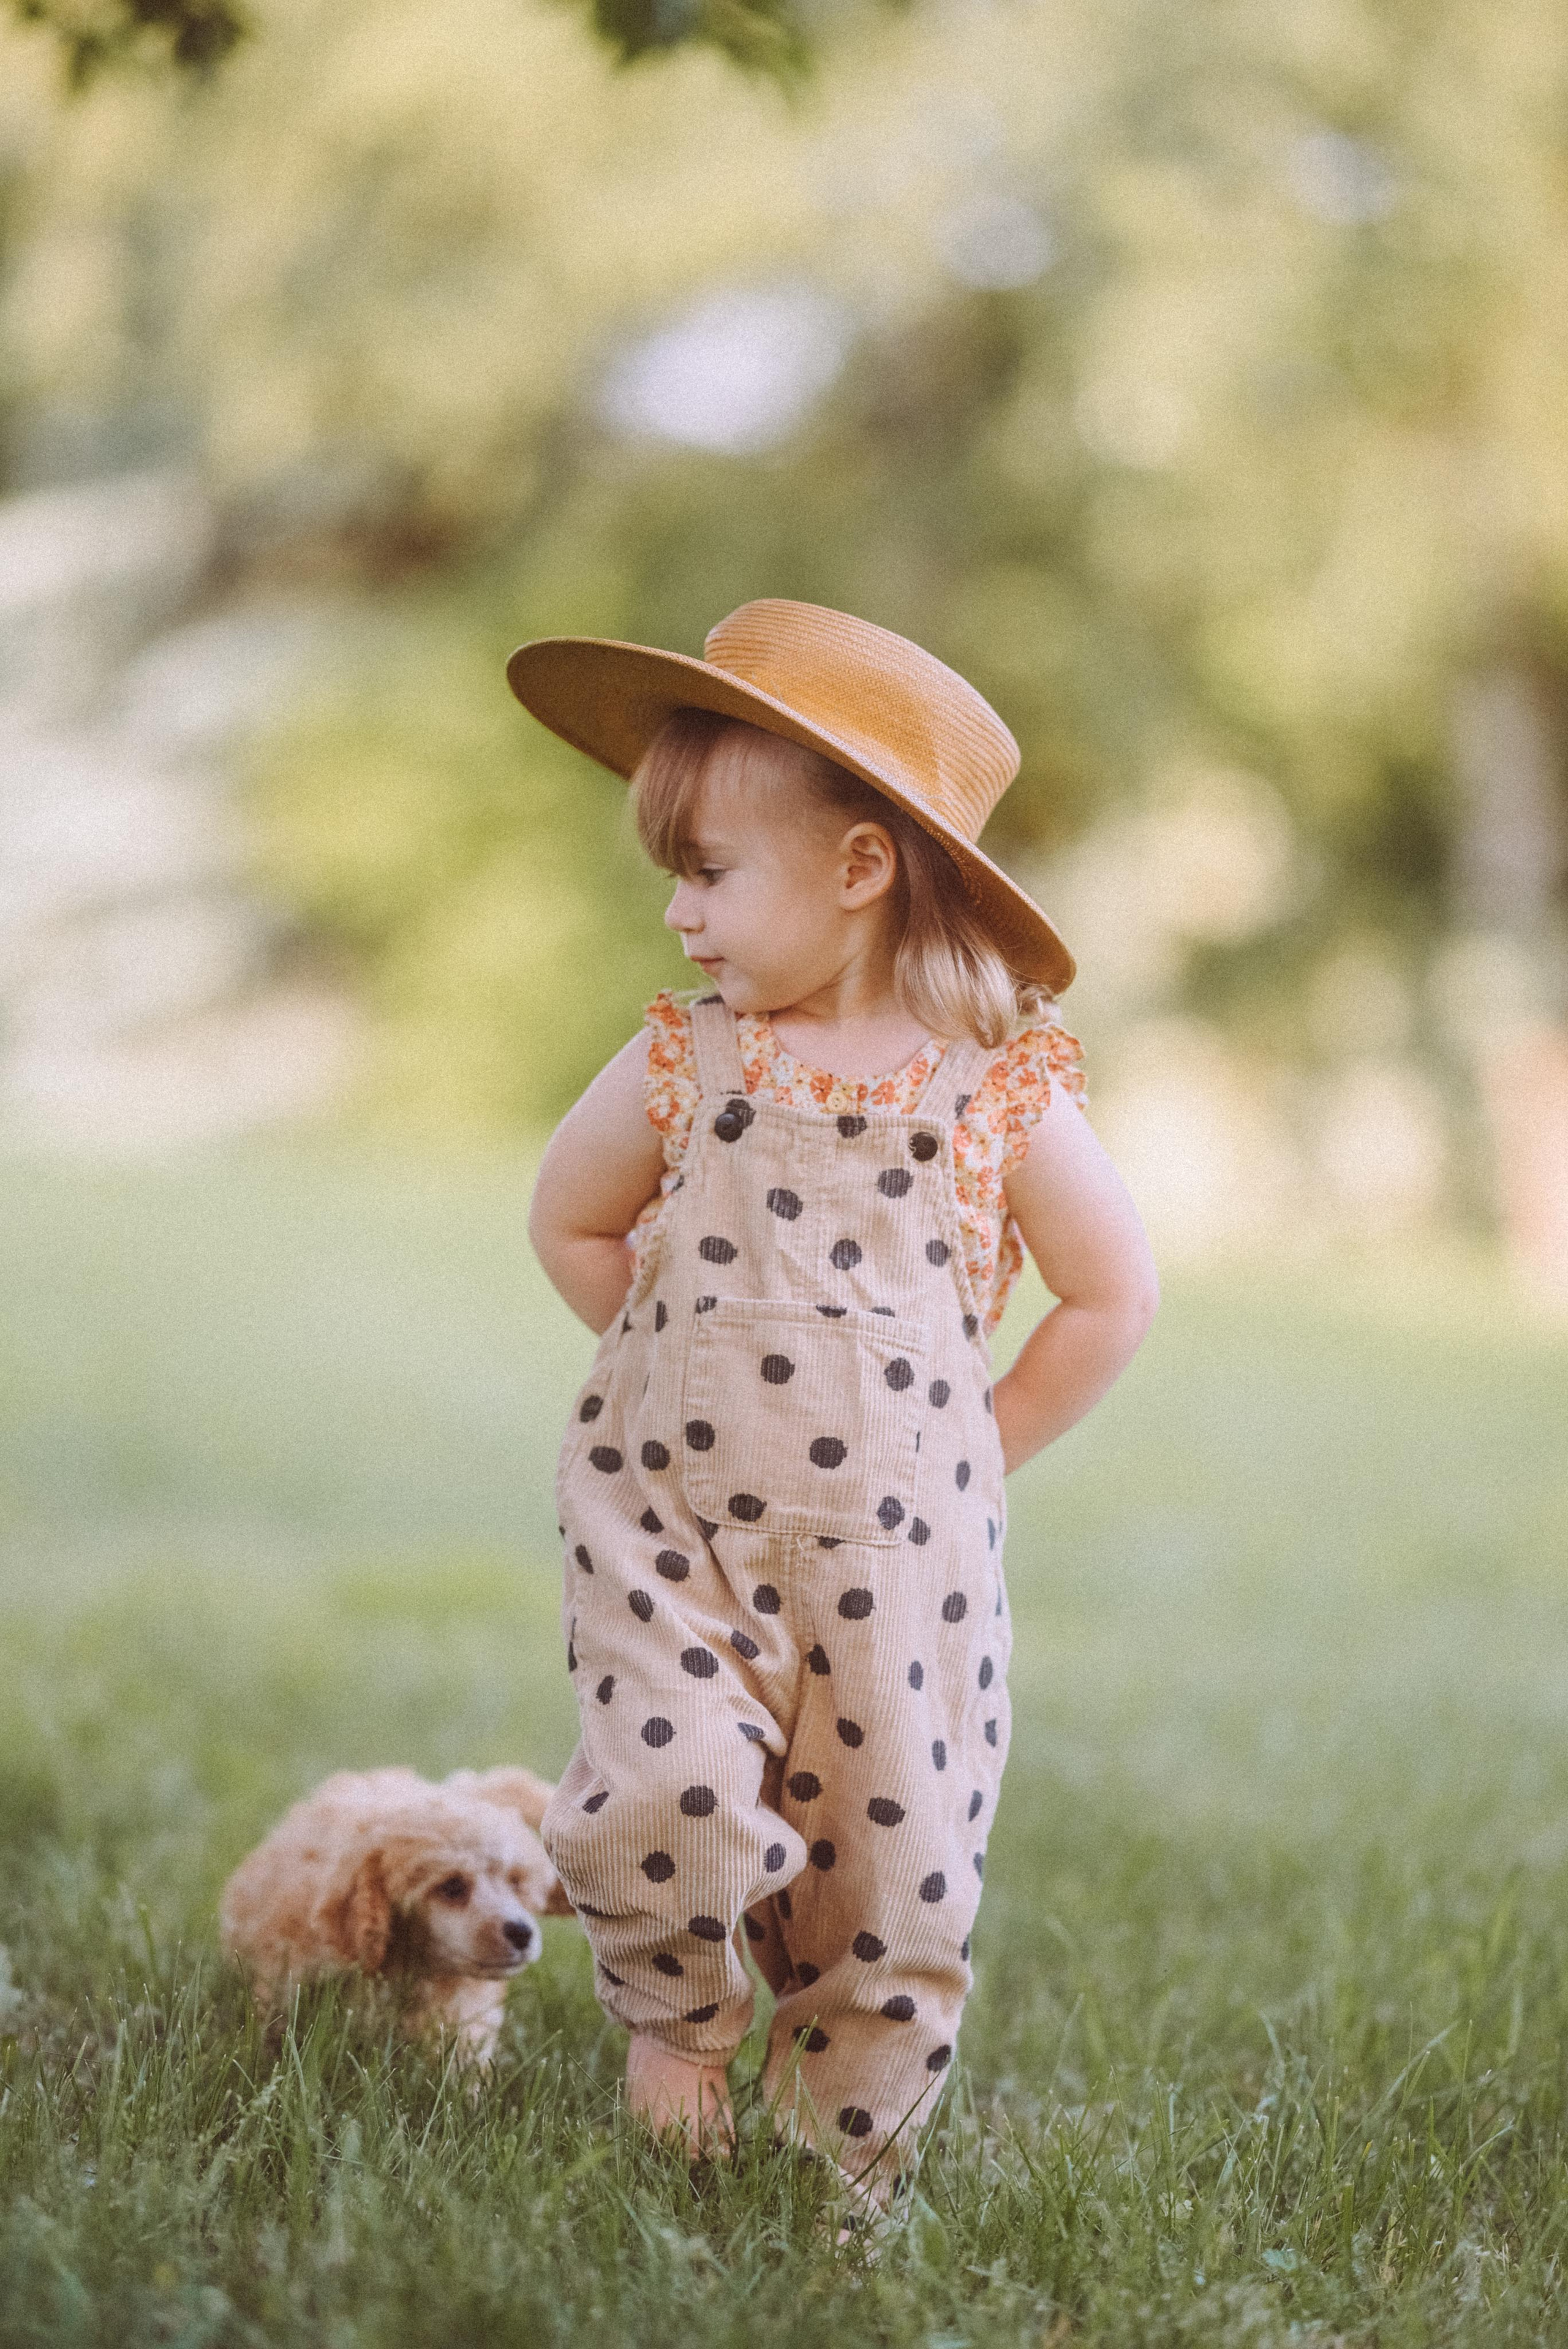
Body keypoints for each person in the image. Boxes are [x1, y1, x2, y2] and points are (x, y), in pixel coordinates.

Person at [516, 600, 1158, 2206]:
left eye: (711, 872)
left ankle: (835, 2172)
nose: (678, 914)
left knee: (895, 1862)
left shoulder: (995, 1088)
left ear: (862, 868)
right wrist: (675, 1360)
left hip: (902, 1574)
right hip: (678, 1531)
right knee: (663, 1778)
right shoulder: (689, 1058)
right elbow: (572, 1219)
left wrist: (980, 1444)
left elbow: (1110, 1293)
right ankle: (675, 2027)